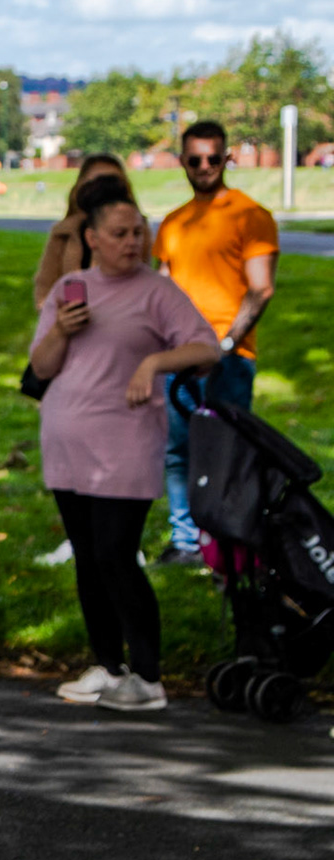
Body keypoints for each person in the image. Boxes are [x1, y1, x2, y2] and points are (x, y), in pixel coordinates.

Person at [28, 175, 222, 712]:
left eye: (138, 231)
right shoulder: (74, 290)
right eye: (120, 233)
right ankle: (109, 667)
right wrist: (61, 330)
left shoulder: (156, 292)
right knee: (89, 560)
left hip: (126, 445)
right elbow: (40, 368)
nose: (133, 241)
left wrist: (154, 361)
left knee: (117, 556)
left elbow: (207, 347)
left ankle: (149, 676)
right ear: (92, 237)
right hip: (69, 446)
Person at [152, 119, 278, 565]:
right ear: (182, 161)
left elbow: (261, 288)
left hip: (230, 356)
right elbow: (161, 290)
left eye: (213, 157)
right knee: (178, 450)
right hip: (180, 357)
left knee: (226, 452)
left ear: (227, 158)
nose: (204, 166)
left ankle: (226, 542)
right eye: (194, 159)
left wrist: (223, 347)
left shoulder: (250, 215)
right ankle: (186, 541)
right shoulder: (172, 223)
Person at [33, 154, 132, 310]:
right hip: (72, 322)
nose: (104, 190)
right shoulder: (64, 232)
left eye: (111, 182)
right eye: (97, 182)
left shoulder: (135, 232)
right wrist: (55, 318)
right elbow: (44, 287)